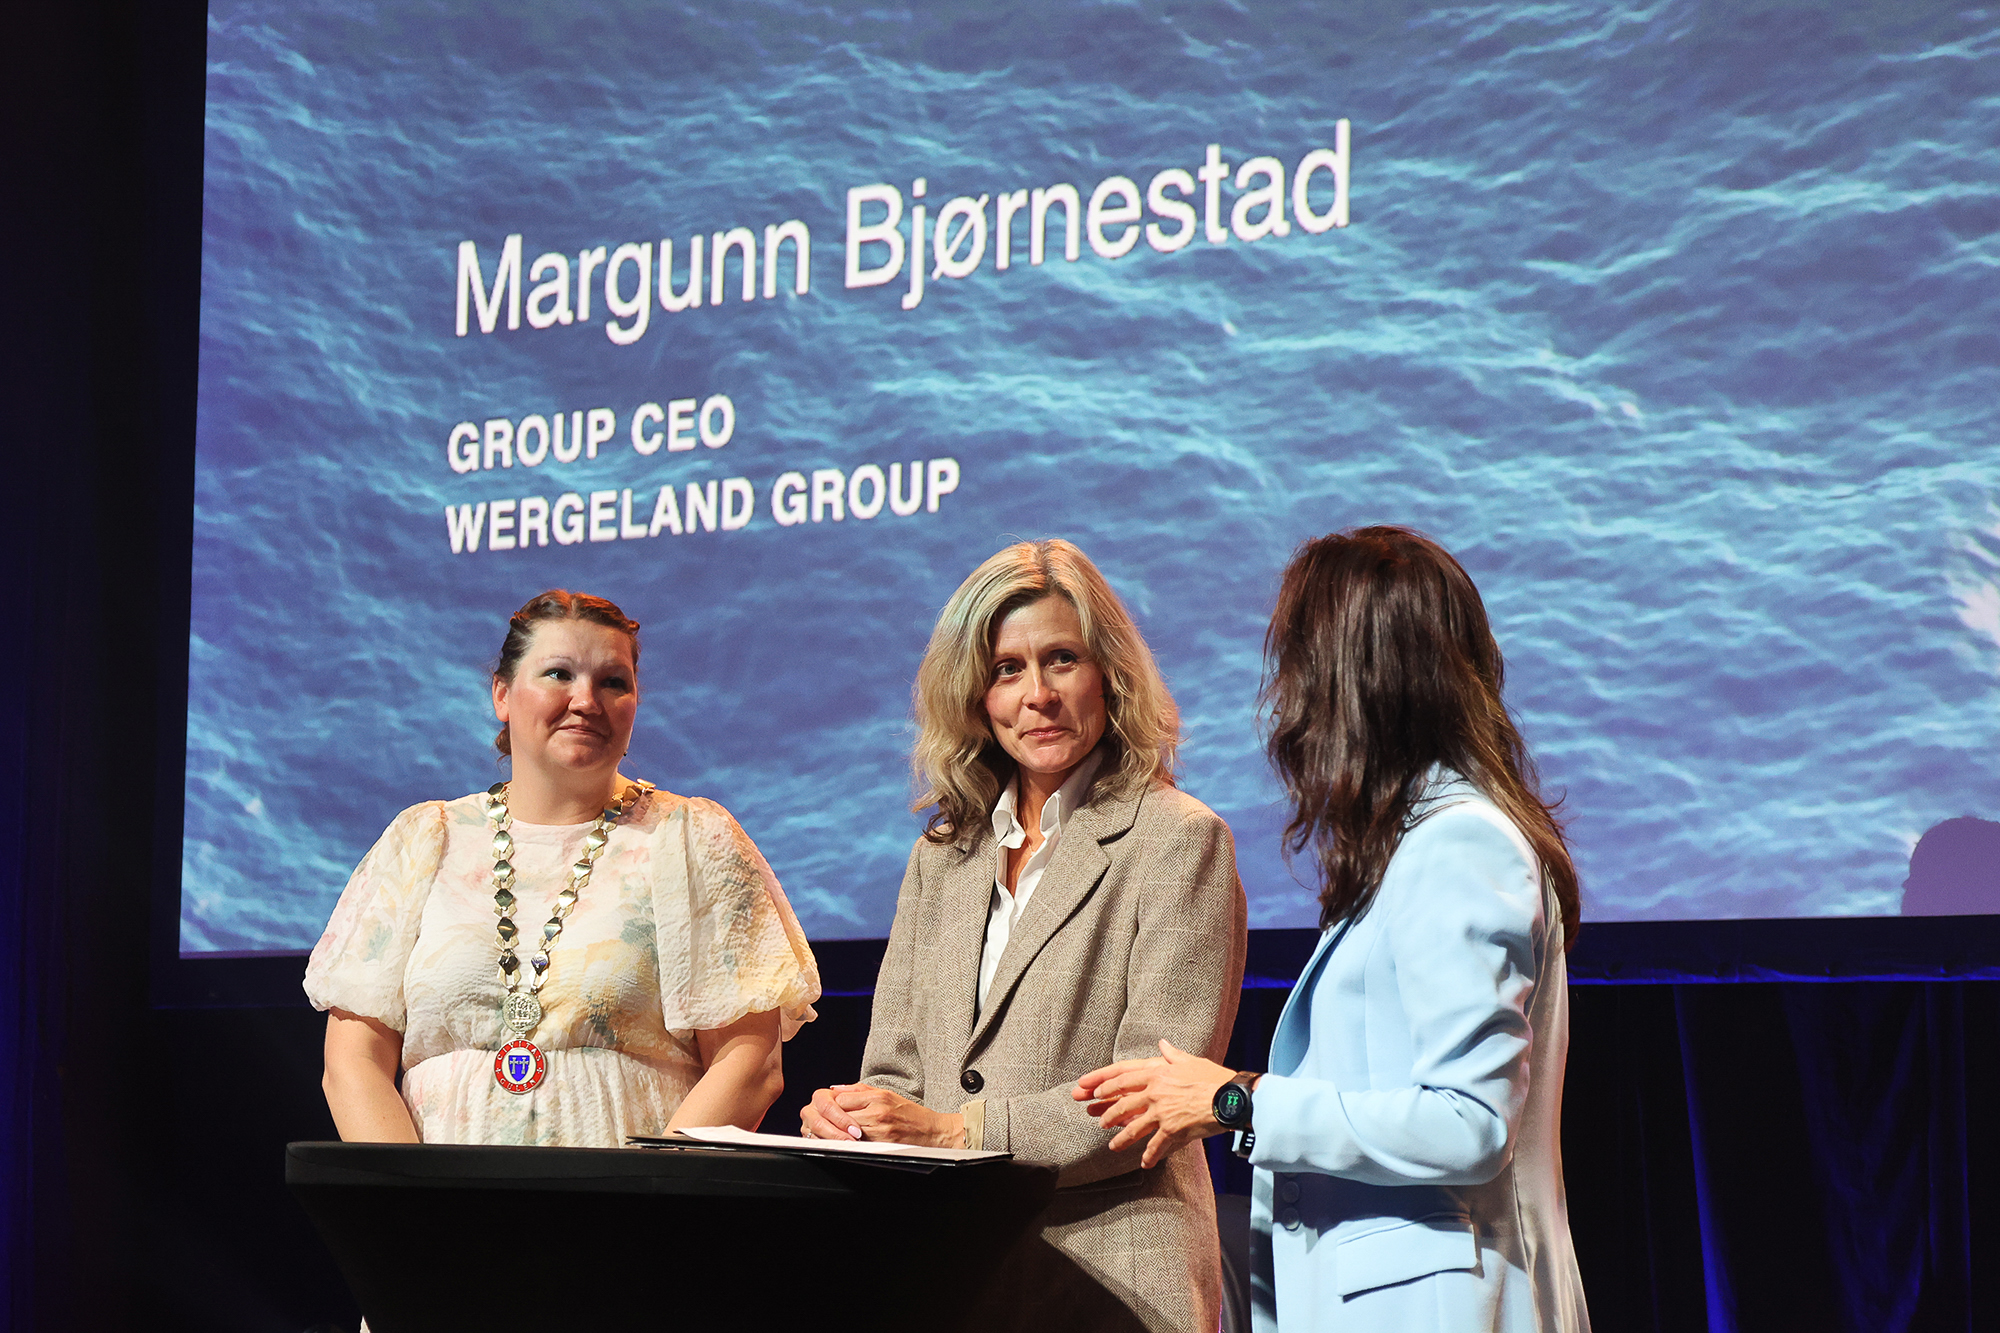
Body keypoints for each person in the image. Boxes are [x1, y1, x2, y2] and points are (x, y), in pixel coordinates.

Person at [1076, 526, 1591, 1333]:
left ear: (1356, 677)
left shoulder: (1458, 844)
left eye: (1300, 661)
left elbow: (1470, 1122)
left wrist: (1236, 1101)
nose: (1287, 696)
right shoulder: (1422, 844)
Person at [801, 540, 1248, 1333]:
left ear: (1109, 672)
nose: (1036, 694)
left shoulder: (1179, 839)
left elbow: (1148, 1097)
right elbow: (895, 1071)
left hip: (1117, 1280)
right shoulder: (940, 856)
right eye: (1008, 669)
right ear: (975, 695)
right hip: (951, 1273)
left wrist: (955, 1131)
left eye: (1061, 659)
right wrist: (855, 1121)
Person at [307, 589, 819, 1147]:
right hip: (437, 1218)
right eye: (558, 674)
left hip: (633, 1215)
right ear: (502, 694)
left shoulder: (692, 838)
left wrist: (642, 1198)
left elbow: (749, 1065)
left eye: (613, 682)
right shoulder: (425, 839)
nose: (586, 700)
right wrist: (416, 1212)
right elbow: (353, 1065)